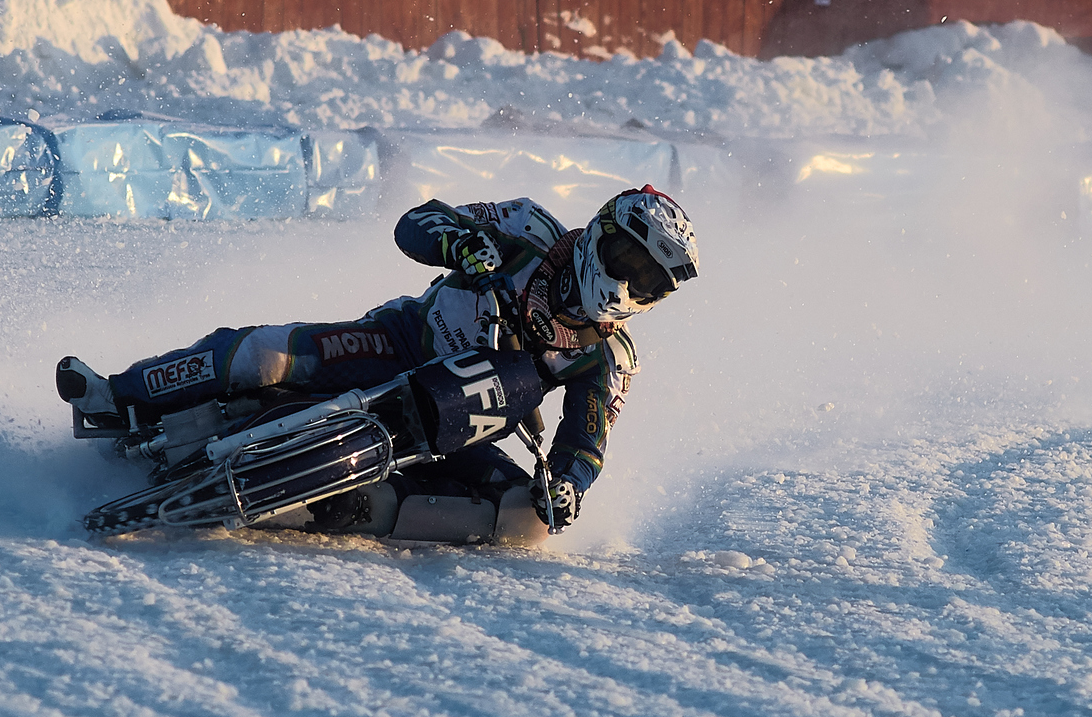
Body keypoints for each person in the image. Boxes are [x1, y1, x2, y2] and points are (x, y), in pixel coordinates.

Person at [57, 189, 702, 531]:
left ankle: (321, 509)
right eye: (630, 263)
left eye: (648, 282)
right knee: (265, 353)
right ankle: (119, 395)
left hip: (458, 426)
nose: (629, 286)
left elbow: (587, 441)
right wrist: (462, 243)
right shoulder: (529, 229)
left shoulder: (608, 356)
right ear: (602, 237)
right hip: (397, 343)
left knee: (520, 520)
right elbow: (415, 222)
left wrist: (567, 487)